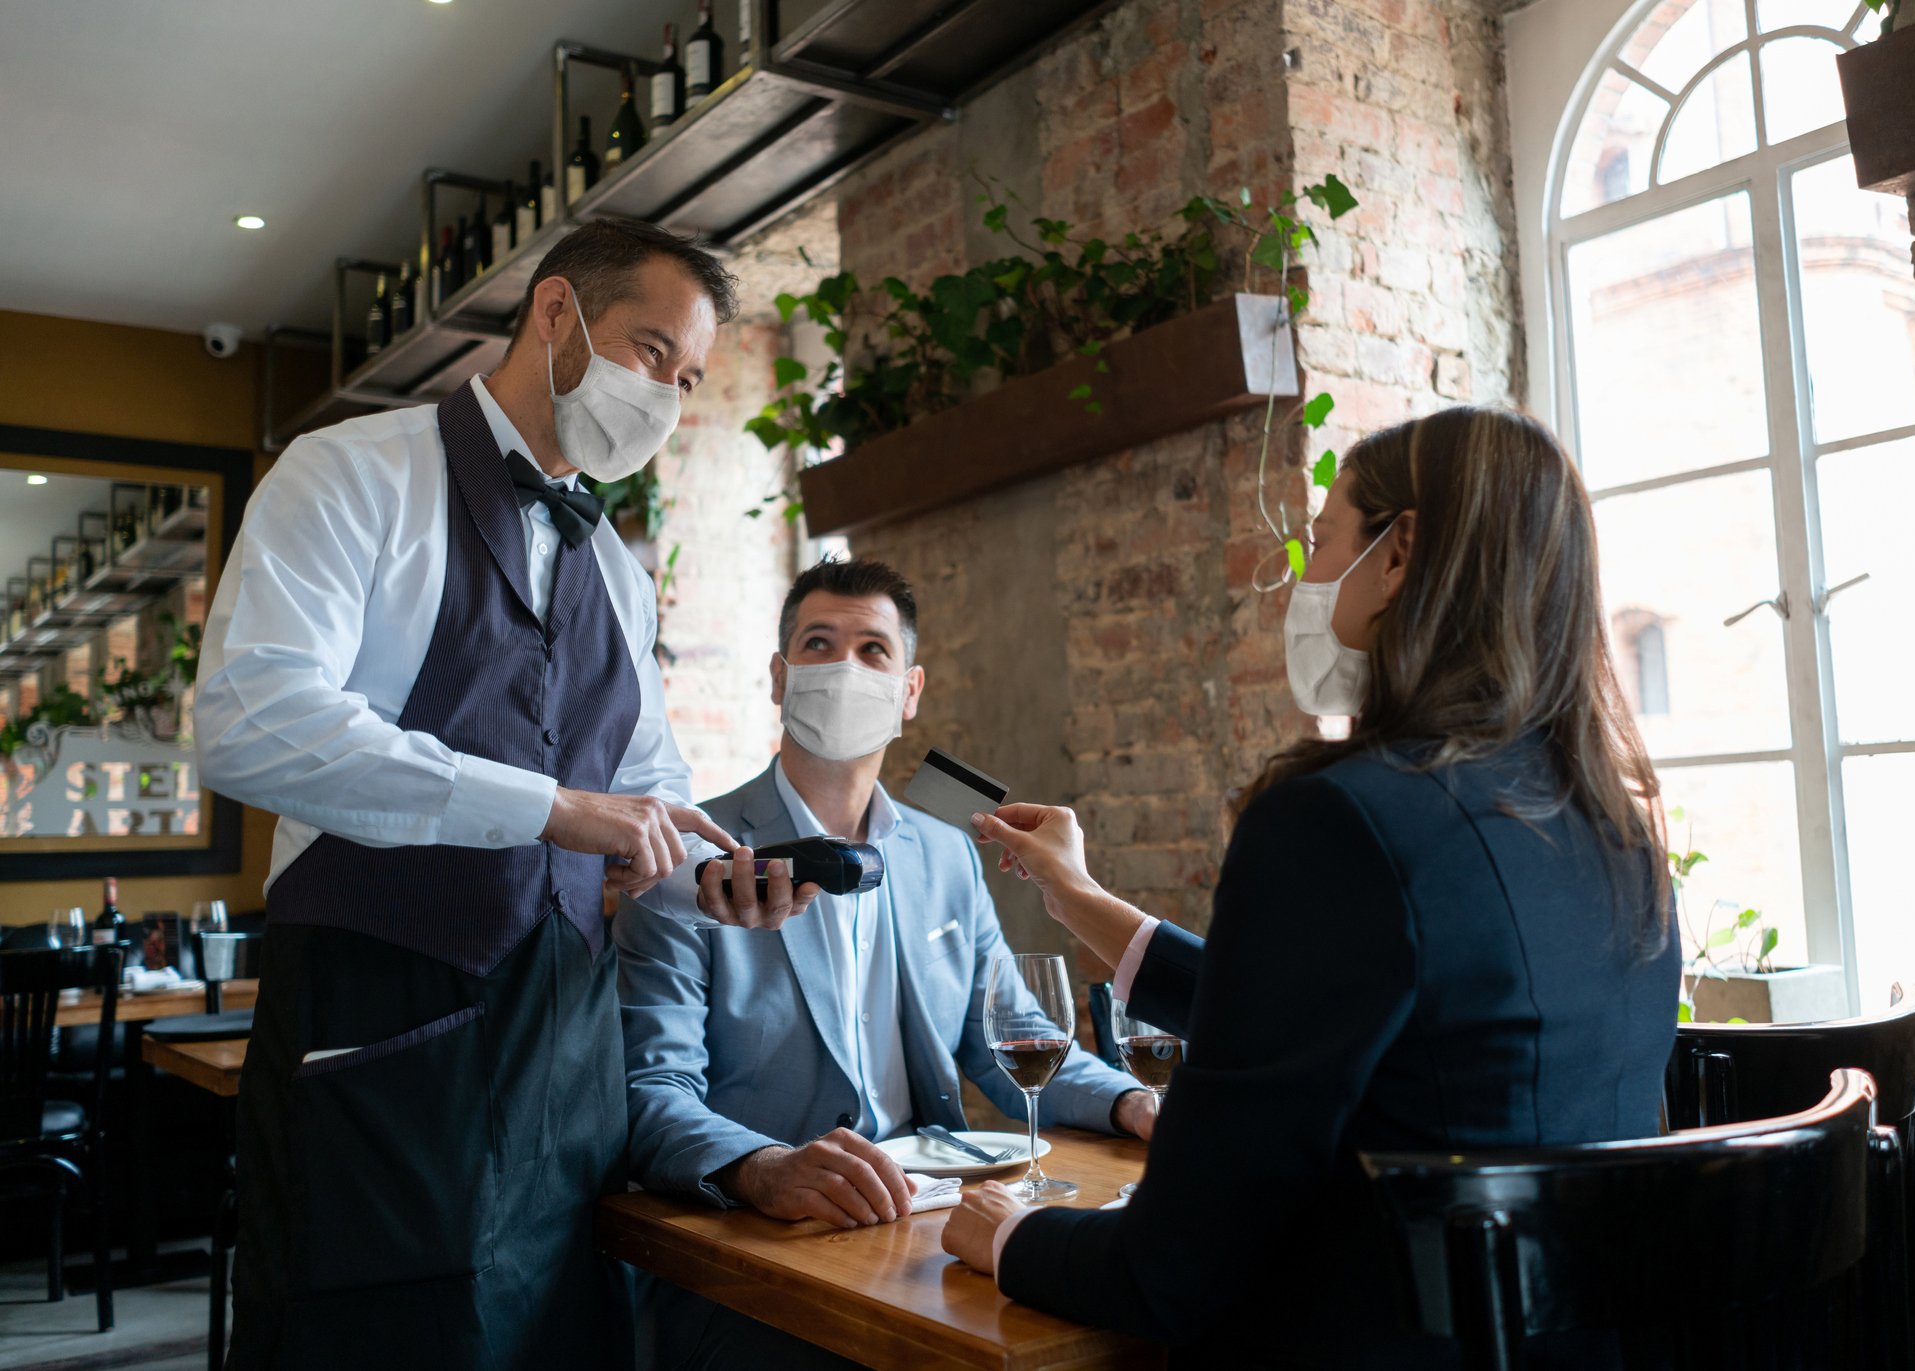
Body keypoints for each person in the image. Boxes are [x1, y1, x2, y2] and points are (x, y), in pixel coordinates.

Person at [195, 218, 821, 1371]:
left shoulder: (617, 578)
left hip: (563, 1061)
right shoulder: (352, 473)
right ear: (554, 314)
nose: (665, 399)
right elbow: (250, 722)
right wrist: (547, 808)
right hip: (380, 1038)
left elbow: (645, 792)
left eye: (685, 381)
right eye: (649, 353)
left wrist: (702, 877)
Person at [939, 407, 1684, 1367]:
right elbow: (1374, 1023)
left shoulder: (1340, 820)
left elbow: (1172, 1268)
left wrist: (1005, 1235)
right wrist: (1083, 899)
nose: (1303, 577)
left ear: (1400, 553)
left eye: (1323, 539)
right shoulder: (1613, 827)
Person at [617, 556, 1155, 1369]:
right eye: (819, 643)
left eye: (873, 650)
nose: (843, 667)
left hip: (932, 1229)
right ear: (779, 676)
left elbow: (1017, 1042)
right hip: (766, 1255)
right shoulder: (693, 859)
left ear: (909, 692)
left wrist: (1132, 1105)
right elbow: (652, 1095)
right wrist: (763, 1169)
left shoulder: (945, 856)